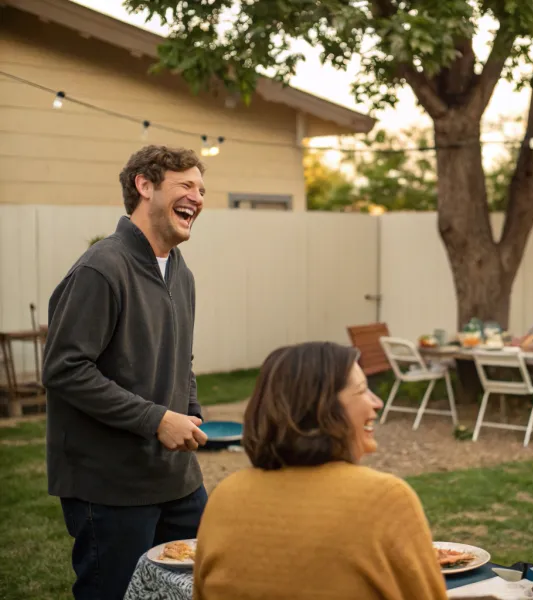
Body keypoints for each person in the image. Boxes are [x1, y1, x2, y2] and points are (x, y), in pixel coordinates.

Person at [42, 145, 210, 600]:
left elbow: (181, 358)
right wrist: (155, 419)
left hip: (177, 479)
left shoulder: (181, 271)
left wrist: (190, 413)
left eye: (201, 189)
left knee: (203, 583)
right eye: (186, 185)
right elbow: (65, 369)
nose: (198, 197)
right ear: (144, 185)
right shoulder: (102, 267)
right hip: (109, 484)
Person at [193, 342, 448, 600]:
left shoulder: (225, 497)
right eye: (361, 391)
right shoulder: (384, 499)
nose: (377, 402)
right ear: (324, 410)